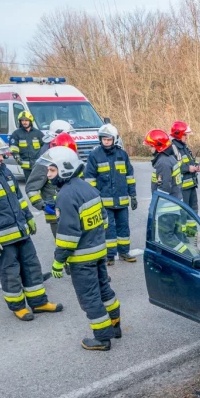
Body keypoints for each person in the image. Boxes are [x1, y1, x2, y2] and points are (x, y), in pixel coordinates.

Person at [0, 131, 63, 320]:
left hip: (21, 232)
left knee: (32, 267)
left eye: (1, 154)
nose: (1, 157)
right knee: (11, 273)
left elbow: (17, 198)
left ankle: (39, 303)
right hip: (2, 238)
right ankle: (18, 306)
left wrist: (28, 217)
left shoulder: (3, 171)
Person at [42, 147, 121, 351]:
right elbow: (103, 221)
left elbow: (68, 237)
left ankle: (103, 339)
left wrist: (58, 262)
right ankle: (115, 325)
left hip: (81, 259)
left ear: (64, 169)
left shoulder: (66, 196)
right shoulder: (89, 188)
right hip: (98, 252)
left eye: (51, 170)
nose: (48, 175)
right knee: (104, 289)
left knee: (90, 298)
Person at [84, 124, 136, 265]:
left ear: (114, 139)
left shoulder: (122, 155)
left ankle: (124, 252)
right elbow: (90, 179)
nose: (106, 142)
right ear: (100, 140)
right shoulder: (94, 155)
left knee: (123, 227)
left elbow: (129, 176)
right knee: (109, 228)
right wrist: (93, 199)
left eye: (109, 139)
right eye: (104, 139)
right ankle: (110, 256)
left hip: (122, 201)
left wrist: (133, 195)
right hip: (104, 202)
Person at [170, 121, 200, 213]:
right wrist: (187, 168)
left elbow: (191, 160)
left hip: (191, 185)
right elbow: (174, 165)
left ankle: (192, 227)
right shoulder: (173, 147)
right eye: (185, 135)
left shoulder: (184, 147)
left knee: (193, 211)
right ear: (178, 134)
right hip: (182, 188)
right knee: (184, 212)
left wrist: (196, 166)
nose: (187, 137)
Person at [145, 129, 183, 198]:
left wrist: (157, 204)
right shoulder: (169, 157)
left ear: (158, 146)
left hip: (166, 205)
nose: (149, 149)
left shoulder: (163, 162)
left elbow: (164, 189)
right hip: (174, 200)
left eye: (151, 146)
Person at [8, 111, 43, 181]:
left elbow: (44, 147)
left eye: (26, 120)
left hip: (38, 165)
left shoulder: (38, 133)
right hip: (26, 166)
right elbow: (13, 147)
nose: (24, 122)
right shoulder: (16, 134)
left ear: (30, 120)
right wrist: (17, 157)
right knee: (30, 184)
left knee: (39, 183)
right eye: (22, 120)